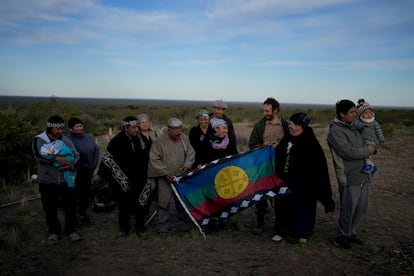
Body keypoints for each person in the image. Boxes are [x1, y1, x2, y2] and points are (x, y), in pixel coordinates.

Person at [272, 112, 335, 243]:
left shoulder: (311, 143)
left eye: (292, 123)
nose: (289, 126)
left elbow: (319, 167)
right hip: (285, 181)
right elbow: (280, 156)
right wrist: (274, 149)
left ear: (300, 125)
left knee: (302, 207)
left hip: (304, 184)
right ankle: (281, 231)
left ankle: (301, 233)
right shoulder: (287, 139)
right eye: (290, 123)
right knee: (282, 206)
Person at [327, 100, 376, 249]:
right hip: (349, 175)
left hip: (364, 173)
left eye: (356, 111)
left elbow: (368, 141)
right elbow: (348, 152)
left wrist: (371, 147)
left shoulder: (355, 126)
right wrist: (368, 150)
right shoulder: (335, 131)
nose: (355, 115)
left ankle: (351, 233)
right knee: (349, 208)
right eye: (352, 112)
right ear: (342, 114)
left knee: (360, 208)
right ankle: (342, 236)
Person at [93, 116, 148, 239]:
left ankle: (140, 228)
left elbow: (149, 155)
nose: (136, 130)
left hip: (140, 177)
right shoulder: (117, 141)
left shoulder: (141, 138)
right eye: (133, 127)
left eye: (137, 127)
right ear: (125, 127)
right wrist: (100, 174)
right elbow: (108, 159)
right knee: (124, 205)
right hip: (123, 178)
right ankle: (124, 229)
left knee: (141, 204)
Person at [32, 115, 81, 244]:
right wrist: (56, 159)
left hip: (65, 180)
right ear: (50, 127)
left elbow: (76, 154)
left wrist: (69, 164)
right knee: (50, 208)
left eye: (61, 128)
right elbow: (38, 155)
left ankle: (71, 230)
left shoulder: (65, 140)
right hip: (47, 181)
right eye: (57, 128)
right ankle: (54, 232)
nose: (60, 131)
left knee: (70, 206)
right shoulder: (40, 139)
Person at [147, 118, 195, 236]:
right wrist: (165, 173)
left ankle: (184, 226)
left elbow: (191, 153)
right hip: (165, 177)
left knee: (181, 202)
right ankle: (162, 227)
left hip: (181, 177)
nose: (179, 132)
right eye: (176, 130)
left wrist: (187, 165)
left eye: (180, 129)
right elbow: (154, 159)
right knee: (163, 201)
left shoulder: (184, 138)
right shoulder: (159, 141)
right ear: (169, 130)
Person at [248, 97, 289, 233]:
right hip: (263, 168)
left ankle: (280, 226)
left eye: (267, 111)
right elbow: (252, 144)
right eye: (263, 111)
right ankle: (260, 224)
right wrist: (262, 147)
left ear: (276, 110)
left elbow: (291, 144)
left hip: (280, 167)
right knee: (261, 196)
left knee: (280, 197)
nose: (264, 113)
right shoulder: (260, 125)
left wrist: (280, 146)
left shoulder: (286, 125)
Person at [67, 117, 100, 224]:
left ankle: (83, 213)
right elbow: (73, 156)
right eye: (77, 126)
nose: (80, 128)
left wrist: (94, 164)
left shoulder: (88, 137)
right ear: (71, 129)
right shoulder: (68, 140)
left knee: (85, 192)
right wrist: (85, 166)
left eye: (81, 126)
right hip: (77, 171)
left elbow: (96, 150)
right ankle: (74, 215)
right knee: (75, 192)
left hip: (90, 170)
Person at [355, 102, 385, 176]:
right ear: (361, 115)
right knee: (365, 154)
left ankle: (369, 165)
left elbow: (379, 131)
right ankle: (372, 167)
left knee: (366, 153)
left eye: (370, 113)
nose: (369, 115)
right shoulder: (359, 122)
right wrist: (362, 125)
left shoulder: (374, 123)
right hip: (362, 141)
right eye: (366, 113)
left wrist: (381, 140)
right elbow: (356, 125)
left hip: (370, 140)